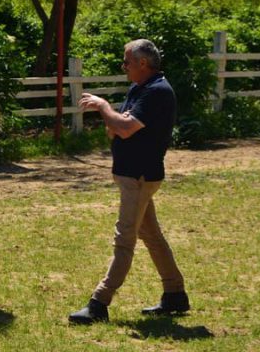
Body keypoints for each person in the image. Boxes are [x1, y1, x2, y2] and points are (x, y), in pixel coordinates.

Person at [68, 39, 189, 324]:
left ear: (142, 64)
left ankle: (99, 302)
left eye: (127, 62)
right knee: (151, 235)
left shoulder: (158, 92)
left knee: (124, 239)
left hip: (140, 176)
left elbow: (122, 127)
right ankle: (175, 294)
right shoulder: (141, 88)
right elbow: (120, 126)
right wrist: (116, 121)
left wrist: (103, 106)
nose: (124, 67)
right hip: (133, 174)